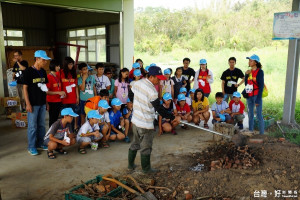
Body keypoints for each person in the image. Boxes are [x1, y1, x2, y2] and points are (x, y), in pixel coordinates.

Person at [128, 66, 175, 173]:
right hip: (145, 123)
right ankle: (146, 169)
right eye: (158, 78)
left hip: (135, 121)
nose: (159, 81)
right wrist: (170, 116)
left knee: (135, 143)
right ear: (151, 77)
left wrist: (136, 103)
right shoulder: (152, 91)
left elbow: (131, 92)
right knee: (146, 147)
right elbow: (159, 108)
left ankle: (130, 165)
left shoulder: (138, 83)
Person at [23, 50, 50, 155]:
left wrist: (46, 102)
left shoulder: (43, 71)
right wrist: (28, 103)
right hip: (33, 104)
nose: (45, 62)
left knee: (42, 125)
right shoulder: (28, 72)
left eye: (46, 60)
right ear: (37, 59)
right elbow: (24, 89)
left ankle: (40, 143)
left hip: (42, 103)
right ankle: (31, 146)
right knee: (32, 126)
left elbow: (45, 88)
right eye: (44, 60)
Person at [245, 54, 264, 135]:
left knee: (259, 115)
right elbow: (246, 84)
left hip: (256, 95)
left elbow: (261, 85)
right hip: (249, 95)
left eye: (251, 60)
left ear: (256, 62)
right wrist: (246, 75)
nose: (249, 62)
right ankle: (250, 131)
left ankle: (261, 133)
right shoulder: (249, 71)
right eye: (249, 60)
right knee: (250, 114)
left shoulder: (260, 72)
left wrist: (258, 98)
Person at [59, 57, 79, 132]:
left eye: (72, 64)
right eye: (69, 64)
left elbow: (76, 86)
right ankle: (63, 132)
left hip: (72, 98)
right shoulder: (60, 73)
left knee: (72, 116)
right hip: (64, 99)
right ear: (65, 64)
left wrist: (77, 97)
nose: (71, 66)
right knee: (64, 117)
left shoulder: (74, 73)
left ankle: (71, 131)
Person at [46, 59, 65, 127]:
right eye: (57, 66)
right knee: (52, 119)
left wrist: (62, 93)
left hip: (58, 101)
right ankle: (50, 135)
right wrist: (58, 92)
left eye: (59, 66)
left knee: (56, 119)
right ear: (53, 66)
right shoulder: (48, 77)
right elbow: (47, 92)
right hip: (52, 102)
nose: (59, 68)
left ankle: (54, 133)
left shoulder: (57, 76)